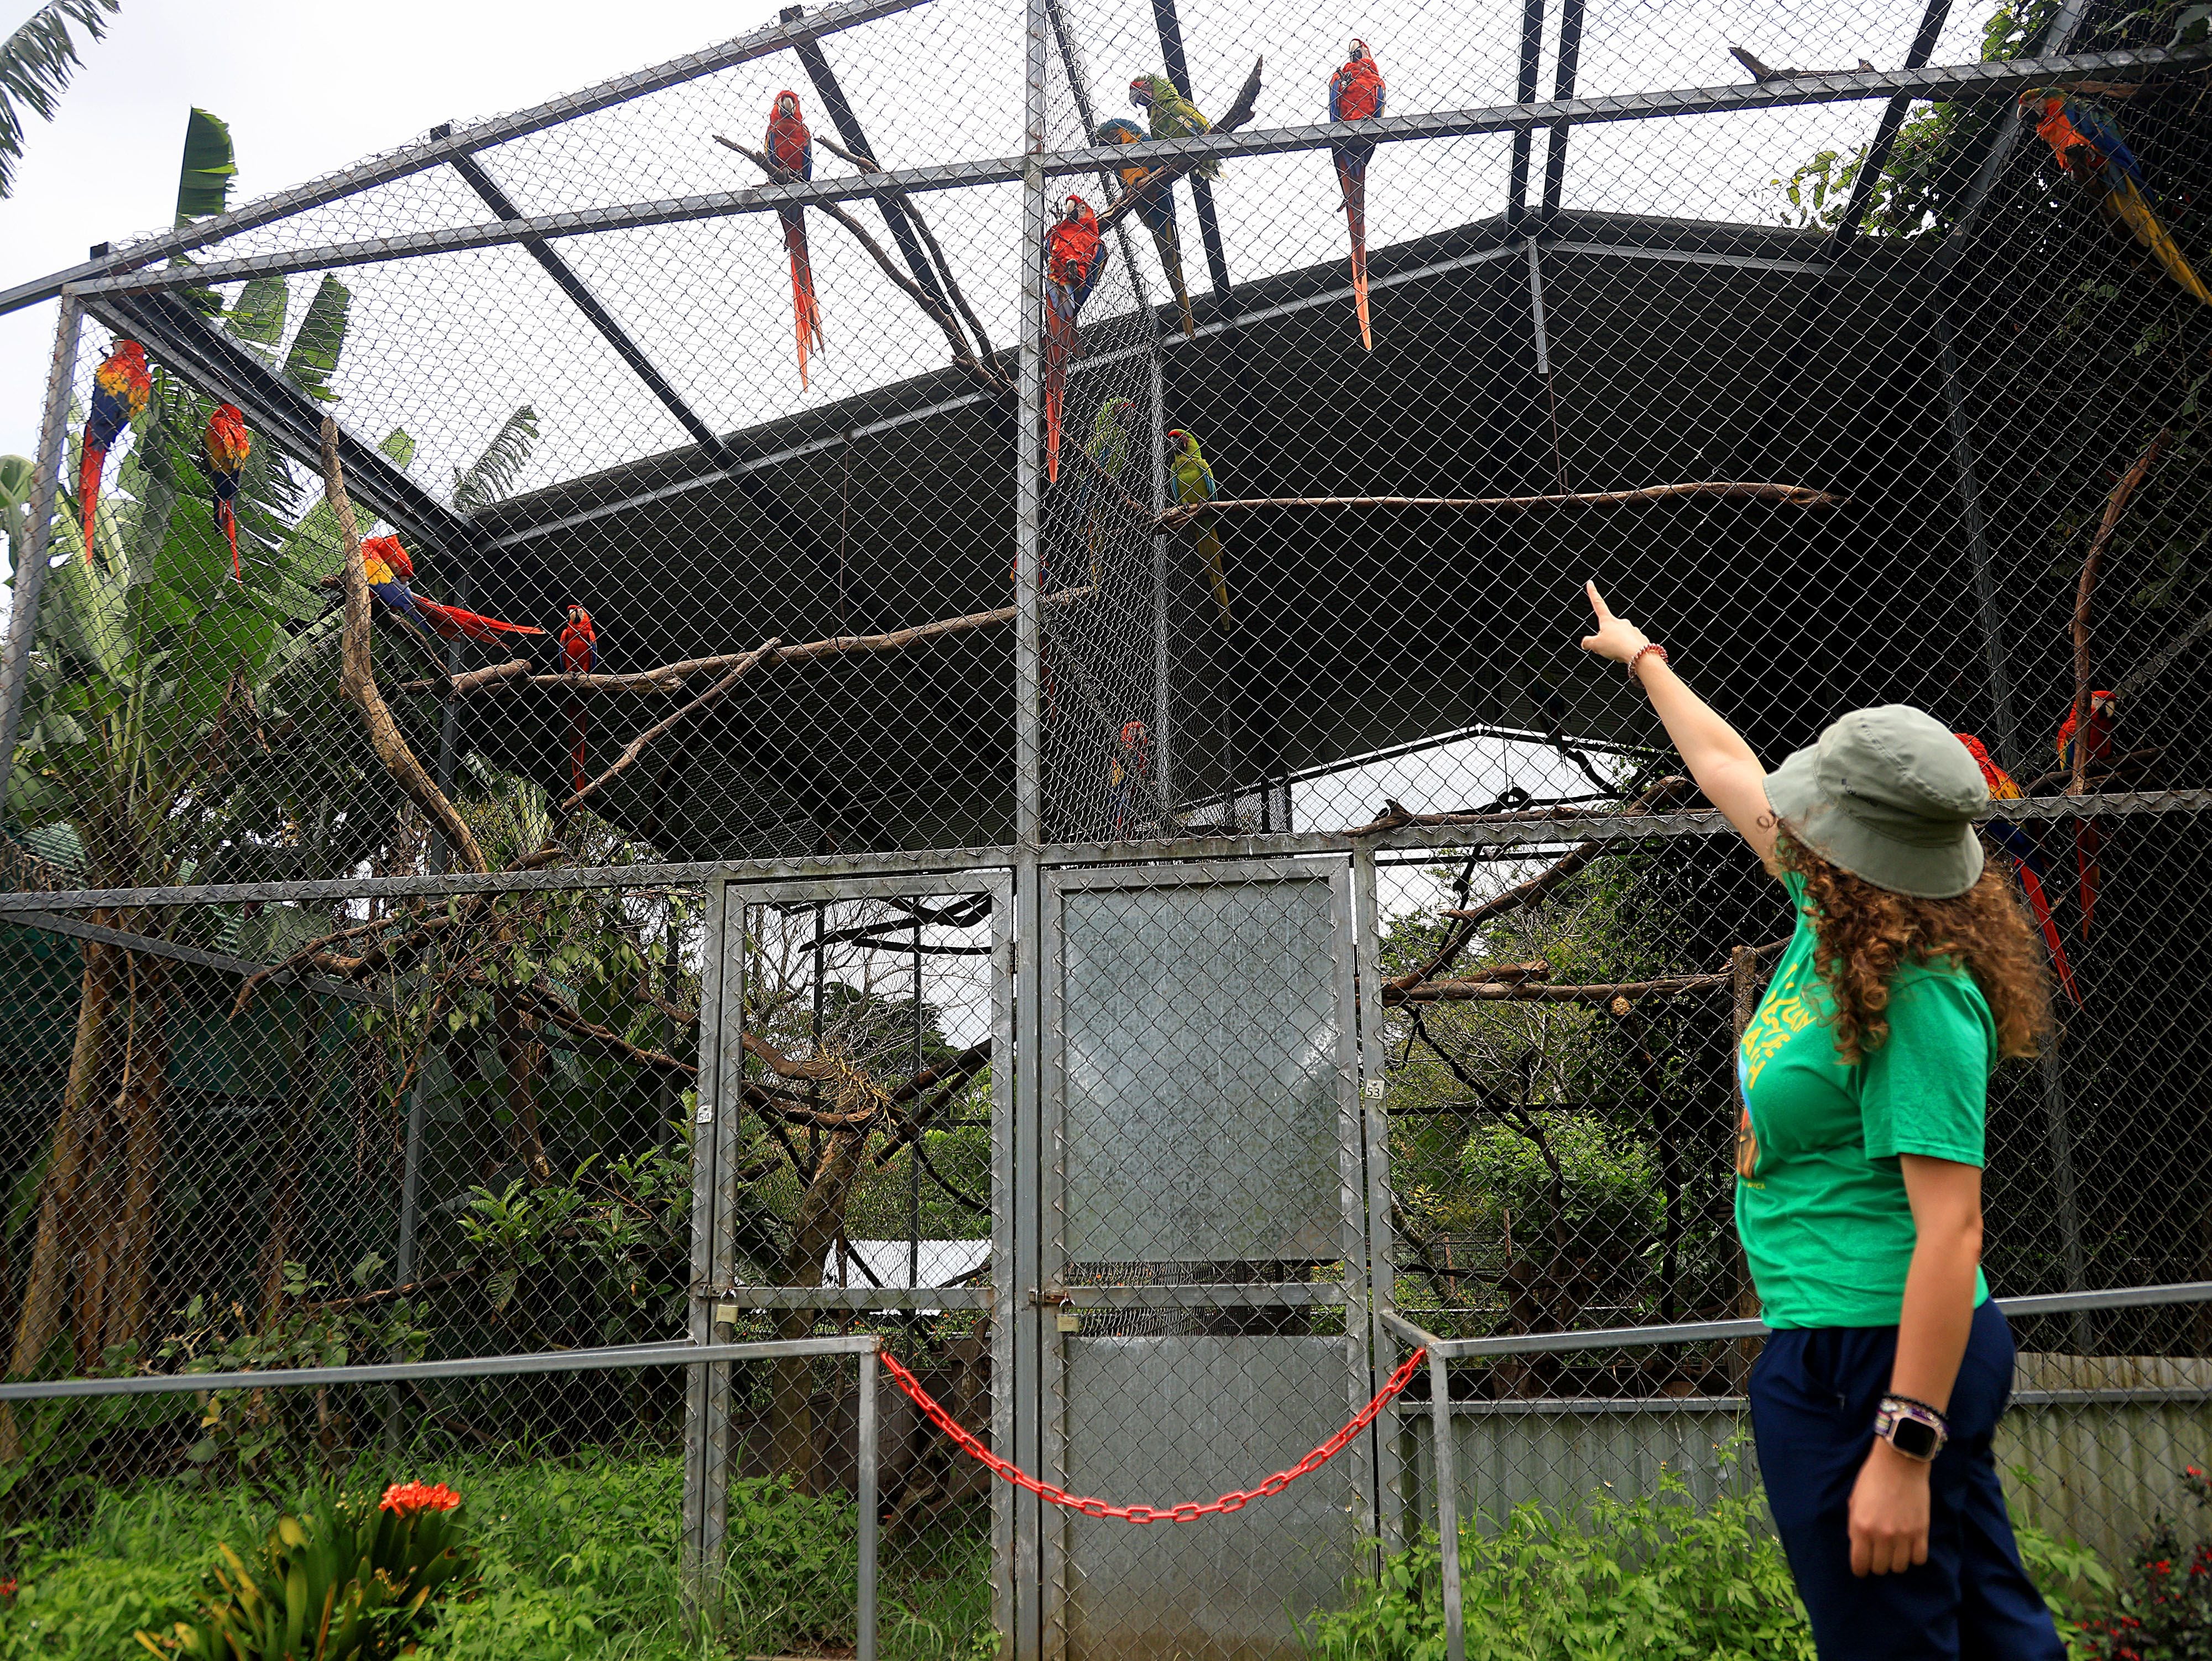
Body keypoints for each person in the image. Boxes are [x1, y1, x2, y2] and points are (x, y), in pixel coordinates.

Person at [1577, 581, 2063, 1661]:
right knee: (1992, 1629)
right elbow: (1726, 767)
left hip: (1881, 1358)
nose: (1784, 812)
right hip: (1843, 1338)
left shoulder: (1920, 988)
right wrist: (1640, 654)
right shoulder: (1834, 904)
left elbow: (1952, 1231)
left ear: (1859, 838)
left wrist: (1902, 1440)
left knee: (1884, 1638)